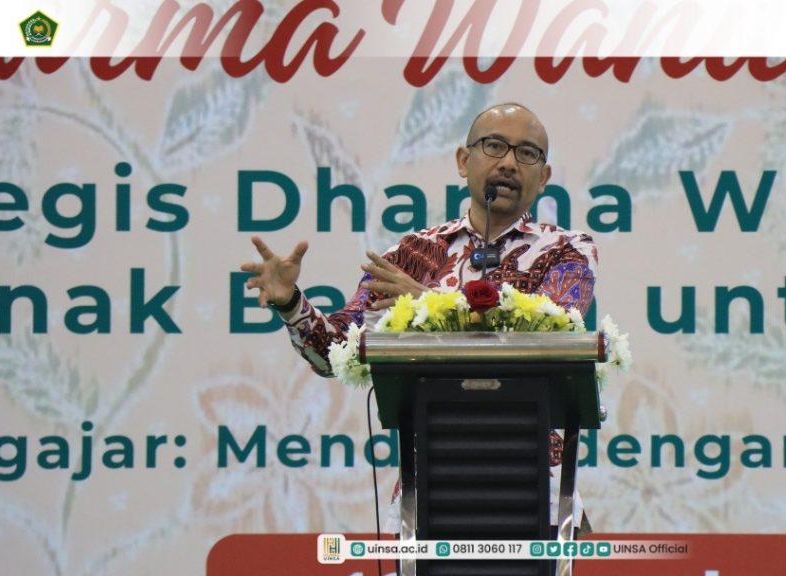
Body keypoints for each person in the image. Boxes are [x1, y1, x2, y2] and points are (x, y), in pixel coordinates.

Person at [241, 102, 597, 535]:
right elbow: (334, 353)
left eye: (527, 153)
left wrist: (425, 301)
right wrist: (290, 303)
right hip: (429, 483)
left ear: (543, 178)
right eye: (494, 146)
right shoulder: (413, 254)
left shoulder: (567, 250)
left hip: (537, 480)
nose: (508, 163)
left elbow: (551, 327)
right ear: (463, 161)